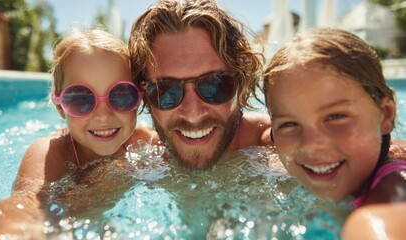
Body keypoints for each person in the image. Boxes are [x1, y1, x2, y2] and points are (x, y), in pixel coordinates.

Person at [0, 28, 157, 237]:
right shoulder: (49, 153)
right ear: (60, 107)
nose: (103, 116)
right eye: (80, 98)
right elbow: (28, 207)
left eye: (121, 94)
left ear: (139, 98)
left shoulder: (144, 140)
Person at [262, 28, 406, 238]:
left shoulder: (394, 185)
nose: (311, 144)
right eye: (289, 124)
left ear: (386, 114)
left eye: (336, 117)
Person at [128, 0, 272, 169]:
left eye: (214, 84)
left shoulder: (274, 148)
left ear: (241, 81)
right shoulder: (134, 153)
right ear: (142, 92)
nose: (193, 114)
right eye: (165, 90)